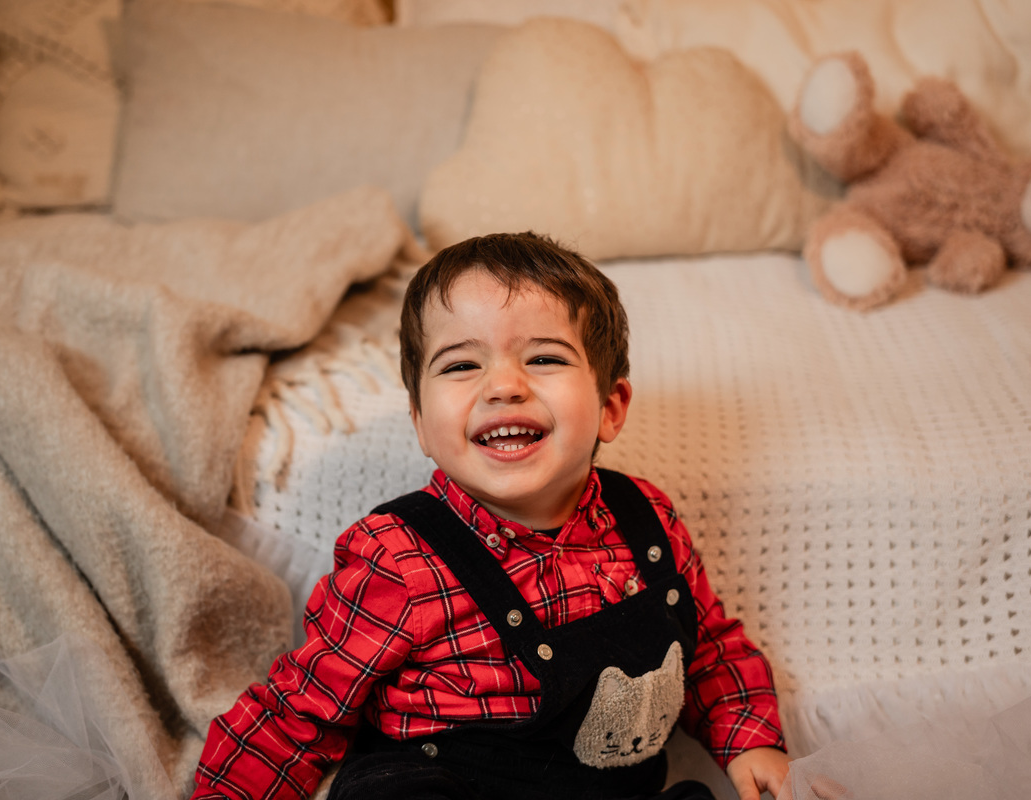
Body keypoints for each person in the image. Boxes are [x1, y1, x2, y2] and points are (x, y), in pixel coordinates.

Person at [192, 232, 789, 800]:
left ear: (610, 407)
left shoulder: (647, 522)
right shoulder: (398, 558)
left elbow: (707, 650)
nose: (504, 386)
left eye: (544, 358)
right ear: (421, 423)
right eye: (460, 366)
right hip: (443, 783)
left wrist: (750, 740)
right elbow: (300, 710)